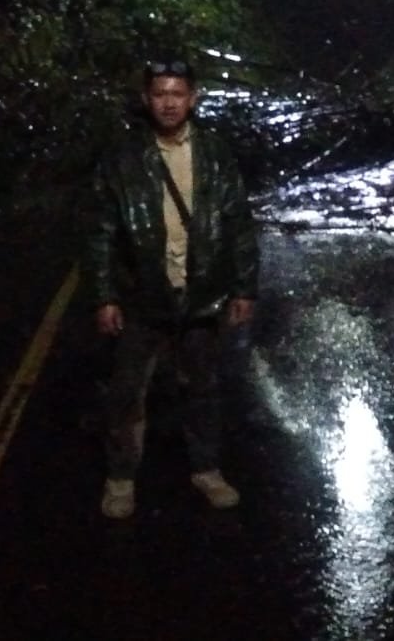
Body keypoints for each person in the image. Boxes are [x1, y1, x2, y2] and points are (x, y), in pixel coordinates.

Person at [84, 55, 260, 519]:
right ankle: (121, 477)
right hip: (140, 295)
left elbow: (239, 223)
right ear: (147, 99)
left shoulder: (215, 153)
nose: (168, 102)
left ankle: (207, 469)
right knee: (127, 392)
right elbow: (101, 232)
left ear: (192, 99)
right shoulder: (122, 157)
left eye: (177, 93)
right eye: (160, 93)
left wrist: (244, 288)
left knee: (203, 388)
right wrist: (104, 296)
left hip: (201, 295)